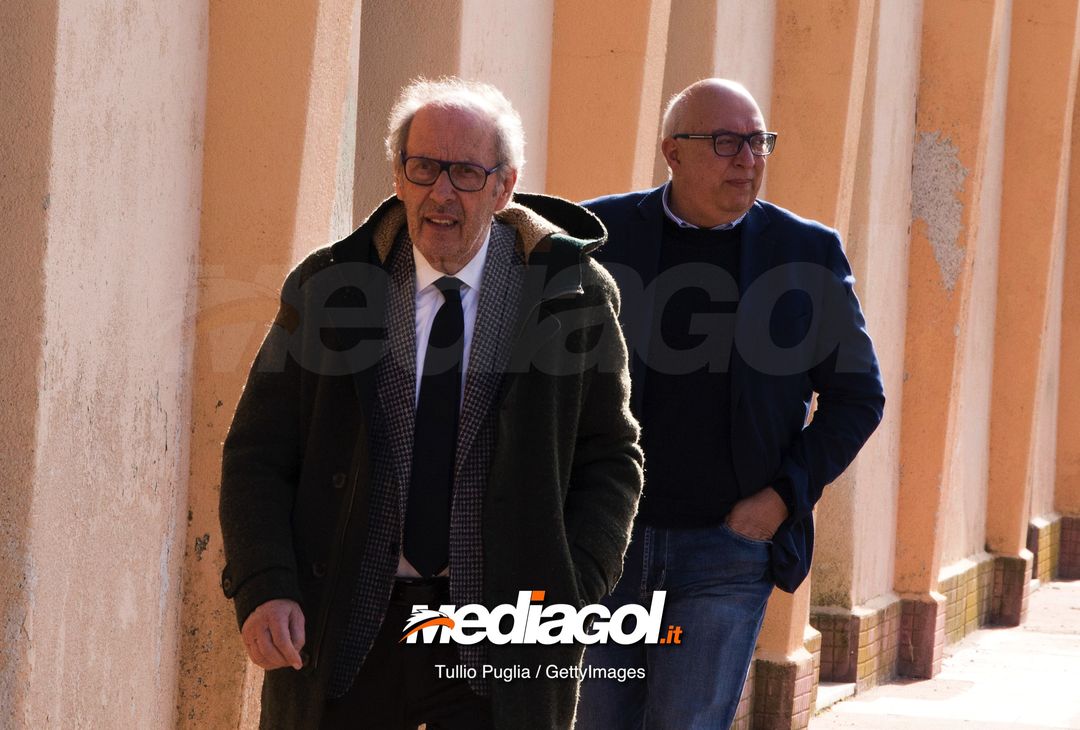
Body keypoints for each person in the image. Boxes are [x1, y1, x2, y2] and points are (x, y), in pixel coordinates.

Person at [219, 77, 643, 730]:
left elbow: (610, 455)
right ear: (397, 175)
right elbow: (258, 454)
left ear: (504, 187)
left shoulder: (572, 296)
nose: (440, 193)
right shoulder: (329, 288)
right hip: (345, 629)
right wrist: (265, 586)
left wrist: (574, 582)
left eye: (465, 174)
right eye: (423, 168)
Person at [575, 78, 885, 729]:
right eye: (725, 142)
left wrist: (782, 497)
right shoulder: (597, 239)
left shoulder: (806, 253)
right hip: (604, 546)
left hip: (726, 553)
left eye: (756, 141)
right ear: (672, 152)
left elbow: (858, 396)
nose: (747, 159)